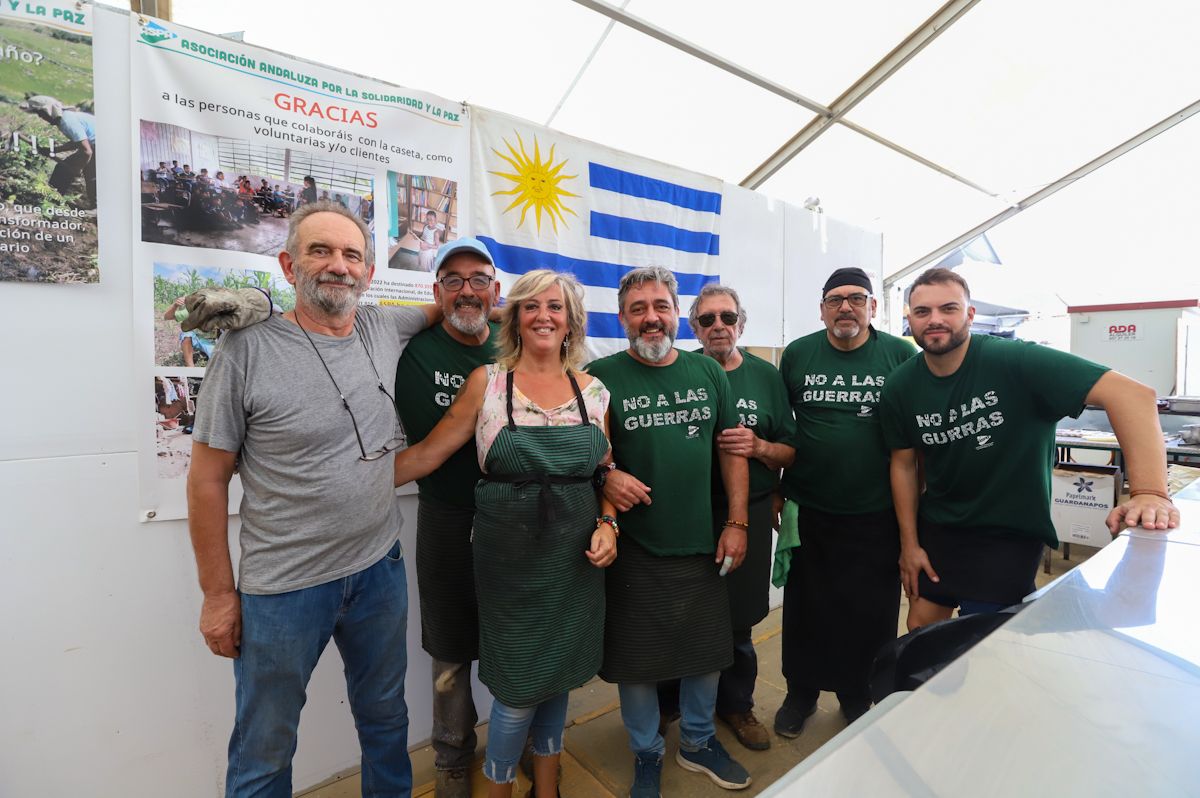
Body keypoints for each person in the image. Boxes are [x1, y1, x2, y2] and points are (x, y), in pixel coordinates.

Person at [185, 201, 441, 797]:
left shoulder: (382, 325)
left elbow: (452, 309)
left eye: (352, 255)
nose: (338, 266)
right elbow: (205, 479)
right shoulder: (244, 350)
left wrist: (523, 309)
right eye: (320, 251)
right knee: (264, 748)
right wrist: (219, 595)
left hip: (380, 570)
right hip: (283, 589)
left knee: (386, 722)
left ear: (370, 272)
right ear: (287, 263)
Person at [394, 269, 618, 798]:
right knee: (517, 692)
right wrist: (345, 482)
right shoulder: (489, 382)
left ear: (571, 322)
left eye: (556, 307)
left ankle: (547, 789)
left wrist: (609, 522)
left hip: (575, 564)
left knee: (559, 677)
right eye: (532, 306)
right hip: (509, 569)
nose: (544, 316)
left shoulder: (595, 392)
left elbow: (605, 470)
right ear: (514, 317)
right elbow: (429, 453)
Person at [880, 267, 1180, 630]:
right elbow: (904, 465)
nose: (935, 320)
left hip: (1008, 534)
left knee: (984, 643)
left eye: (949, 309)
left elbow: (1133, 395)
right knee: (921, 629)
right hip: (940, 529)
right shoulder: (901, 385)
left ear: (970, 315)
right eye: (922, 312)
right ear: (908, 318)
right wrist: (909, 546)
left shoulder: (1015, 361)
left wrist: (1150, 493)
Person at [589, 266, 753, 797]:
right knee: (637, 660)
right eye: (638, 309)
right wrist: (608, 475)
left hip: (701, 538)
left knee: (707, 651)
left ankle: (699, 742)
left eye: (660, 306)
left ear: (675, 314)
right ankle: (646, 751)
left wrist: (736, 521)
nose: (651, 318)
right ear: (622, 319)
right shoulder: (600, 378)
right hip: (633, 545)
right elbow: (587, 454)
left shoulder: (710, 374)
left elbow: (732, 455)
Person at [774, 267, 917, 736]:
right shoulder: (797, 354)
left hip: (875, 513)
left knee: (870, 611)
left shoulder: (899, 354)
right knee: (805, 607)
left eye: (857, 298)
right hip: (808, 507)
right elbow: (781, 428)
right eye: (835, 299)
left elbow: (915, 441)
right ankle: (801, 693)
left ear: (874, 307)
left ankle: (858, 692)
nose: (845, 307)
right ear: (821, 309)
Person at [657, 284, 796, 753]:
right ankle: (666, 704)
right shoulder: (676, 369)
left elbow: (791, 450)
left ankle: (736, 704)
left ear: (742, 323)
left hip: (749, 510)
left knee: (739, 620)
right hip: (684, 512)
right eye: (708, 319)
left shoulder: (765, 376)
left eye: (728, 318)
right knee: (676, 613)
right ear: (692, 326)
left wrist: (759, 450)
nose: (719, 326)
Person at [391, 238, 501, 798]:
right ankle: (454, 759)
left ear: (496, 290)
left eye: (478, 279)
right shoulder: (409, 348)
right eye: (452, 280)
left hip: (517, 520)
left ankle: (517, 740)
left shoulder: (517, 342)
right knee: (450, 647)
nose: (466, 289)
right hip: (446, 516)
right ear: (435, 292)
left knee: (516, 634)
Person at [18, 94, 97, 207]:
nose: (40, 117)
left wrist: (77, 169)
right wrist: (54, 150)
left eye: (41, 113)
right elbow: (78, 142)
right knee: (65, 168)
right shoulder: (66, 118)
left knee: (88, 173)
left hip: (104, 146)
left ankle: (53, 201)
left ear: (48, 111)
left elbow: (87, 151)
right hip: (97, 144)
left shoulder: (67, 121)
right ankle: (53, 199)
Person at [164, 294, 218, 367]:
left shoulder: (216, 314)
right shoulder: (191, 313)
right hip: (195, 339)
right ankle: (191, 368)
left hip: (210, 342)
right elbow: (167, 316)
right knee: (186, 334)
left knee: (218, 361)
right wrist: (175, 306)